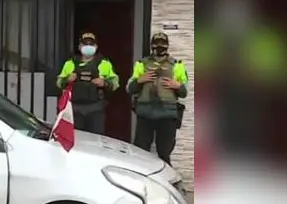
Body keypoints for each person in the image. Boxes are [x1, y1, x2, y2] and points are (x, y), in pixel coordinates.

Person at [127, 32, 189, 165]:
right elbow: (129, 89)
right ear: (151, 45)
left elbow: (185, 92)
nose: (159, 47)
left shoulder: (177, 65)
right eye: (156, 44)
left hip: (167, 115)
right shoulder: (141, 64)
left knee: (164, 154)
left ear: (167, 46)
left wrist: (177, 85)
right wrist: (140, 80)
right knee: (141, 152)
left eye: (162, 44)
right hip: (145, 114)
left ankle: (167, 183)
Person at [56, 32, 120, 135]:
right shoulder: (70, 63)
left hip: (96, 109)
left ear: (96, 46)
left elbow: (115, 83)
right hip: (75, 110)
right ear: (80, 46)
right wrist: (67, 79)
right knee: (77, 140)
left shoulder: (104, 63)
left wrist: (105, 83)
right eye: (85, 44)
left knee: (96, 141)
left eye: (91, 44)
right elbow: (59, 83)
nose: (88, 47)